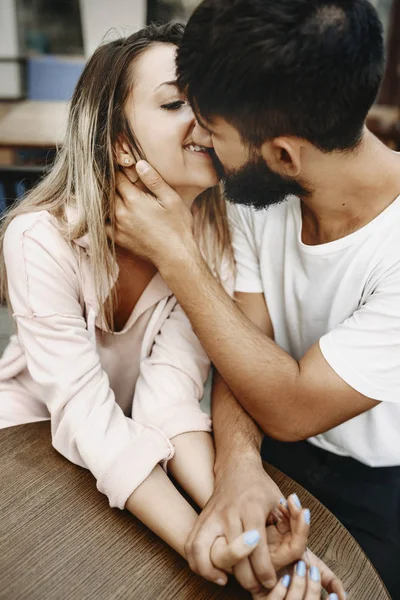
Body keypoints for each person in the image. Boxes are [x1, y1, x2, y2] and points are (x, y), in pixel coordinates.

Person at [0, 22, 341, 600]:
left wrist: (246, 536)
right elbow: (84, 418)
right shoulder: (39, 238)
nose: (205, 117)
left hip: (132, 442)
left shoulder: (216, 238)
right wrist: (199, 544)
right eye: (175, 101)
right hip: (29, 444)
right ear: (119, 141)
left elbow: (170, 398)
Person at [107, 1, 400, 598]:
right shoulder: (255, 192)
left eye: (214, 131)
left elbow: (293, 403)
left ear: (285, 154)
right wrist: (238, 467)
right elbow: (242, 345)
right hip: (265, 437)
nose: (202, 141)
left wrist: (177, 253)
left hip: (379, 480)